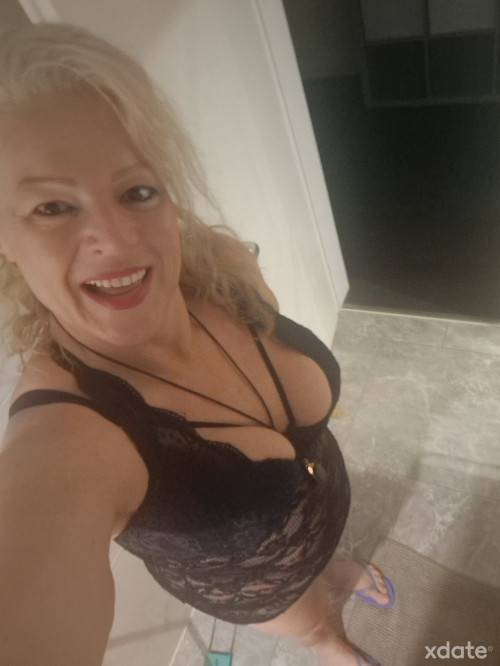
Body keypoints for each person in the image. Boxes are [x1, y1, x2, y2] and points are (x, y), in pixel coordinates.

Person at [0, 23, 394, 666]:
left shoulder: (228, 270)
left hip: (325, 511)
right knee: (314, 625)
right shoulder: (65, 439)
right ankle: (329, 644)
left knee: (325, 559)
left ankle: (336, 566)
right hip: (263, 587)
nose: (116, 240)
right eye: (52, 207)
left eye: (137, 191)